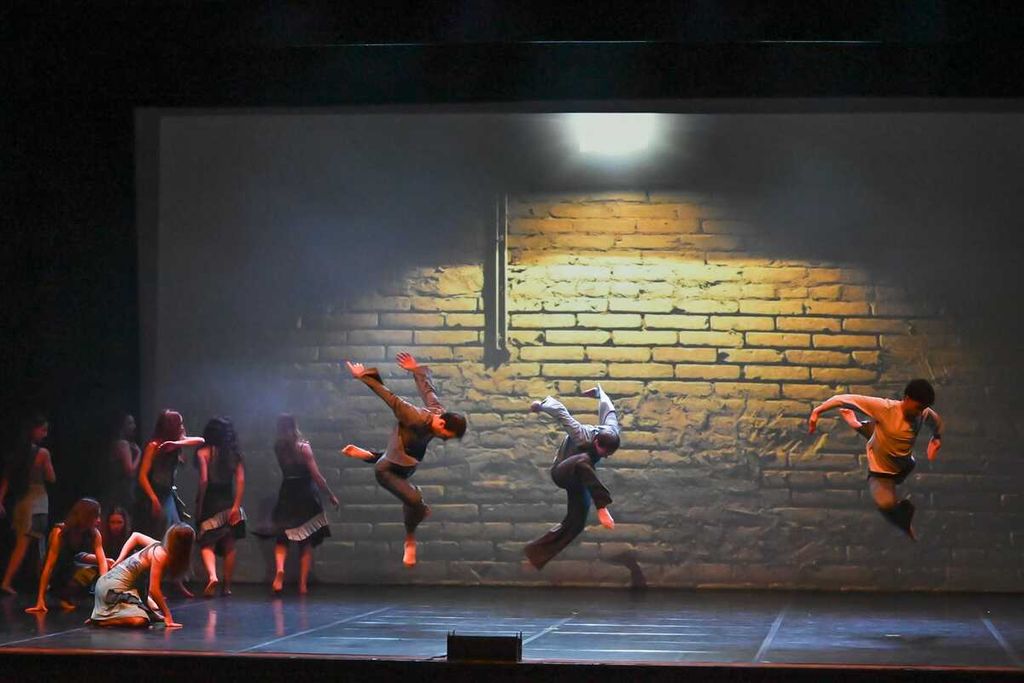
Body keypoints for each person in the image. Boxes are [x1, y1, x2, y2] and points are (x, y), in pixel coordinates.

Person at [341, 352, 466, 567]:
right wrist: (363, 376)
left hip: (407, 463)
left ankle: (369, 455)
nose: (446, 440)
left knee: (411, 490)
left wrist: (416, 369)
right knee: (415, 501)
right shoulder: (414, 417)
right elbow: (390, 398)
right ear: (442, 424)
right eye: (447, 436)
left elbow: (428, 391)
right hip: (387, 471)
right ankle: (410, 541)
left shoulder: (439, 412)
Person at [808, 379, 944, 540]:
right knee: (885, 504)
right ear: (907, 398)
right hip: (882, 472)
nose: (919, 413)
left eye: (923, 409)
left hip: (906, 464)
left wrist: (936, 438)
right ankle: (856, 424)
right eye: (918, 408)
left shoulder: (923, 413)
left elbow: (936, 422)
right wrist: (817, 411)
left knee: (881, 432)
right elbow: (843, 399)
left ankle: (856, 423)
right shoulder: (885, 408)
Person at [524, 384, 621, 570]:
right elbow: (562, 413)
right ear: (596, 441)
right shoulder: (581, 434)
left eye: (609, 454)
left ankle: (535, 555)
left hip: (582, 479)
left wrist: (599, 392)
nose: (606, 456)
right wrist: (541, 406)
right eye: (604, 452)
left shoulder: (612, 429)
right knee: (583, 461)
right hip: (563, 471)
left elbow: (608, 408)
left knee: (576, 522)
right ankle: (602, 505)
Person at [259, 414, 338, 594]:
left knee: (282, 537)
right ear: (295, 426)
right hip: (305, 494)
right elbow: (317, 476)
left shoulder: (279, 447)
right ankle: (302, 585)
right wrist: (330, 495)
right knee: (306, 541)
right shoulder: (303, 448)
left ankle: (280, 569)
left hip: (287, 491)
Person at [134, 410, 203, 596]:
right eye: (179, 423)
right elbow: (142, 476)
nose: (182, 426)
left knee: (177, 536)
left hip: (168, 494)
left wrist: (177, 443)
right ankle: (152, 584)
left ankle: (176, 580)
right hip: (156, 494)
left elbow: (200, 440)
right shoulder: (154, 446)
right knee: (160, 537)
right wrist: (153, 499)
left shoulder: (176, 444)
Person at [88, 523, 194, 629]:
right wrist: (168, 615)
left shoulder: (158, 546)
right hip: (112, 587)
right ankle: (102, 620)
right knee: (140, 621)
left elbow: (136, 536)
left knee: (145, 614)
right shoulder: (161, 554)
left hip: (109, 583)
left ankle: (103, 616)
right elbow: (154, 590)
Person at [0, 414, 55, 595]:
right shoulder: (42, 453)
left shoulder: (18, 453)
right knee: (31, 544)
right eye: (43, 430)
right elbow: (51, 477)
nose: (45, 434)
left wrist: (1, 500)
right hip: (37, 501)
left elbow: (6, 479)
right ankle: (8, 581)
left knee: (30, 543)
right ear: (34, 430)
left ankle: (42, 581)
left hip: (21, 502)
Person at [194, 417, 246, 597]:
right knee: (229, 544)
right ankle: (227, 586)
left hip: (211, 500)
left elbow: (204, 481)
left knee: (207, 542)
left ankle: (212, 576)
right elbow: (240, 481)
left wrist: (199, 504)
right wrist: (236, 506)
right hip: (229, 500)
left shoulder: (203, 452)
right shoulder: (234, 454)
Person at [25, 498, 106, 612]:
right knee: (73, 572)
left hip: (70, 568)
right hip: (55, 571)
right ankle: (56, 593)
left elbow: (102, 561)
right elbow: (49, 566)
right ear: (85, 517)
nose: (99, 520)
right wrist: (40, 600)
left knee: (98, 569)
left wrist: (104, 586)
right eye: (96, 517)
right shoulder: (60, 532)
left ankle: (64, 596)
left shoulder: (94, 533)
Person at [105, 413, 141, 511]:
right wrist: (139, 454)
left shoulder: (119, 443)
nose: (134, 426)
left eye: (133, 423)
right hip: (123, 492)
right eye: (130, 423)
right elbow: (129, 470)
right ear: (122, 426)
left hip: (121, 490)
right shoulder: (123, 444)